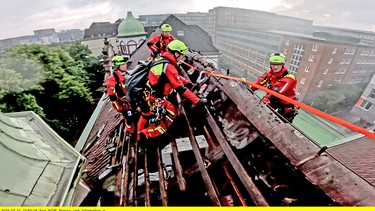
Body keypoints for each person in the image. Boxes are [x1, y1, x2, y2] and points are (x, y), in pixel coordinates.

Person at [137, 40, 201, 141]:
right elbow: (181, 89)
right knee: (171, 118)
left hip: (148, 95)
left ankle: (139, 134)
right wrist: (197, 101)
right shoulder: (169, 67)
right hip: (156, 99)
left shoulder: (162, 59)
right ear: (176, 53)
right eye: (181, 56)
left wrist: (187, 82)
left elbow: (174, 77)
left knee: (145, 115)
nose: (182, 58)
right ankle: (146, 136)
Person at [251, 52, 298, 122]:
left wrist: (263, 102)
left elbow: (276, 92)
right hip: (273, 100)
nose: (275, 67)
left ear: (282, 65)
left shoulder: (290, 78)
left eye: (278, 64)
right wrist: (250, 88)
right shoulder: (270, 73)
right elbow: (259, 82)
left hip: (285, 105)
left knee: (281, 123)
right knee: (263, 115)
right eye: (273, 64)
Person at [106, 55, 136, 133]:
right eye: (123, 64)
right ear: (117, 66)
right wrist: (120, 109)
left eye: (125, 63)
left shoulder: (130, 74)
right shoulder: (112, 79)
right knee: (130, 118)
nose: (125, 65)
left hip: (134, 100)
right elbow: (112, 98)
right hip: (125, 105)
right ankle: (131, 132)